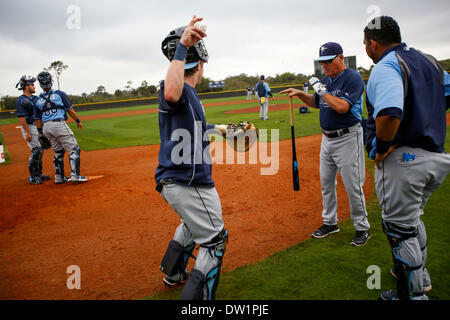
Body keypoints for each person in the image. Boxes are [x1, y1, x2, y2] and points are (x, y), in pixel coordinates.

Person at [363, 16, 450, 300]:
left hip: (404, 161)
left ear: (373, 43)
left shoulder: (386, 65)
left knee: (400, 230)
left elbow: (388, 112)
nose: (366, 48)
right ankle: (421, 280)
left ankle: (412, 296)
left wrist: (385, 143)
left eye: (366, 43)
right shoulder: (429, 61)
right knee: (412, 220)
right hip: (436, 157)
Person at [156, 16, 228, 300]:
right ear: (201, 64)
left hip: (174, 180)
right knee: (215, 240)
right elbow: (171, 91)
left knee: (190, 225)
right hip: (190, 182)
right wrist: (183, 46)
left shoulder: (190, 95)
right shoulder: (178, 89)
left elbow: (193, 131)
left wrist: (221, 130)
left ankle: (173, 273)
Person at [280, 42, 371, 246]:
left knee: (353, 185)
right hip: (327, 139)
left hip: (348, 137)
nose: (324, 66)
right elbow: (317, 101)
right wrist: (301, 94)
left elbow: (341, 107)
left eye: (328, 62)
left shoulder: (352, 78)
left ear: (340, 58)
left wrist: (321, 90)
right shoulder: (326, 80)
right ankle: (330, 223)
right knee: (326, 183)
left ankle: (362, 227)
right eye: (322, 62)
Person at [33, 71, 87, 184]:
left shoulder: (38, 100)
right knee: (74, 148)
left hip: (46, 127)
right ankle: (75, 176)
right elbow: (70, 110)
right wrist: (78, 120)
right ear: (51, 82)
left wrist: (40, 133)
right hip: (59, 124)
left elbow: (37, 119)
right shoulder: (59, 94)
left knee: (58, 150)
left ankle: (59, 177)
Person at [15, 75, 50, 184]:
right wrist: (28, 133)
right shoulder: (21, 100)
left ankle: (38, 174)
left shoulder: (35, 98)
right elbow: (21, 118)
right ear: (26, 87)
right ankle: (33, 177)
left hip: (37, 127)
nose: (34, 86)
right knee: (36, 150)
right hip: (29, 127)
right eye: (32, 85)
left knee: (41, 150)